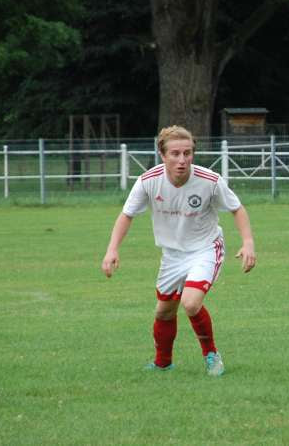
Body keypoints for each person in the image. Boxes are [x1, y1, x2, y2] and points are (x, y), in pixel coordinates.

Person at [101, 125, 256, 377]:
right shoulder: (148, 182)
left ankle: (212, 356)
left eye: (187, 153)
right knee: (163, 311)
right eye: (175, 154)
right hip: (172, 255)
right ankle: (163, 363)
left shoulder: (210, 181)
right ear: (163, 155)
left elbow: (237, 208)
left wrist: (248, 242)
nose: (182, 160)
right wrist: (112, 250)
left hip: (206, 248)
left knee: (191, 303)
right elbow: (126, 215)